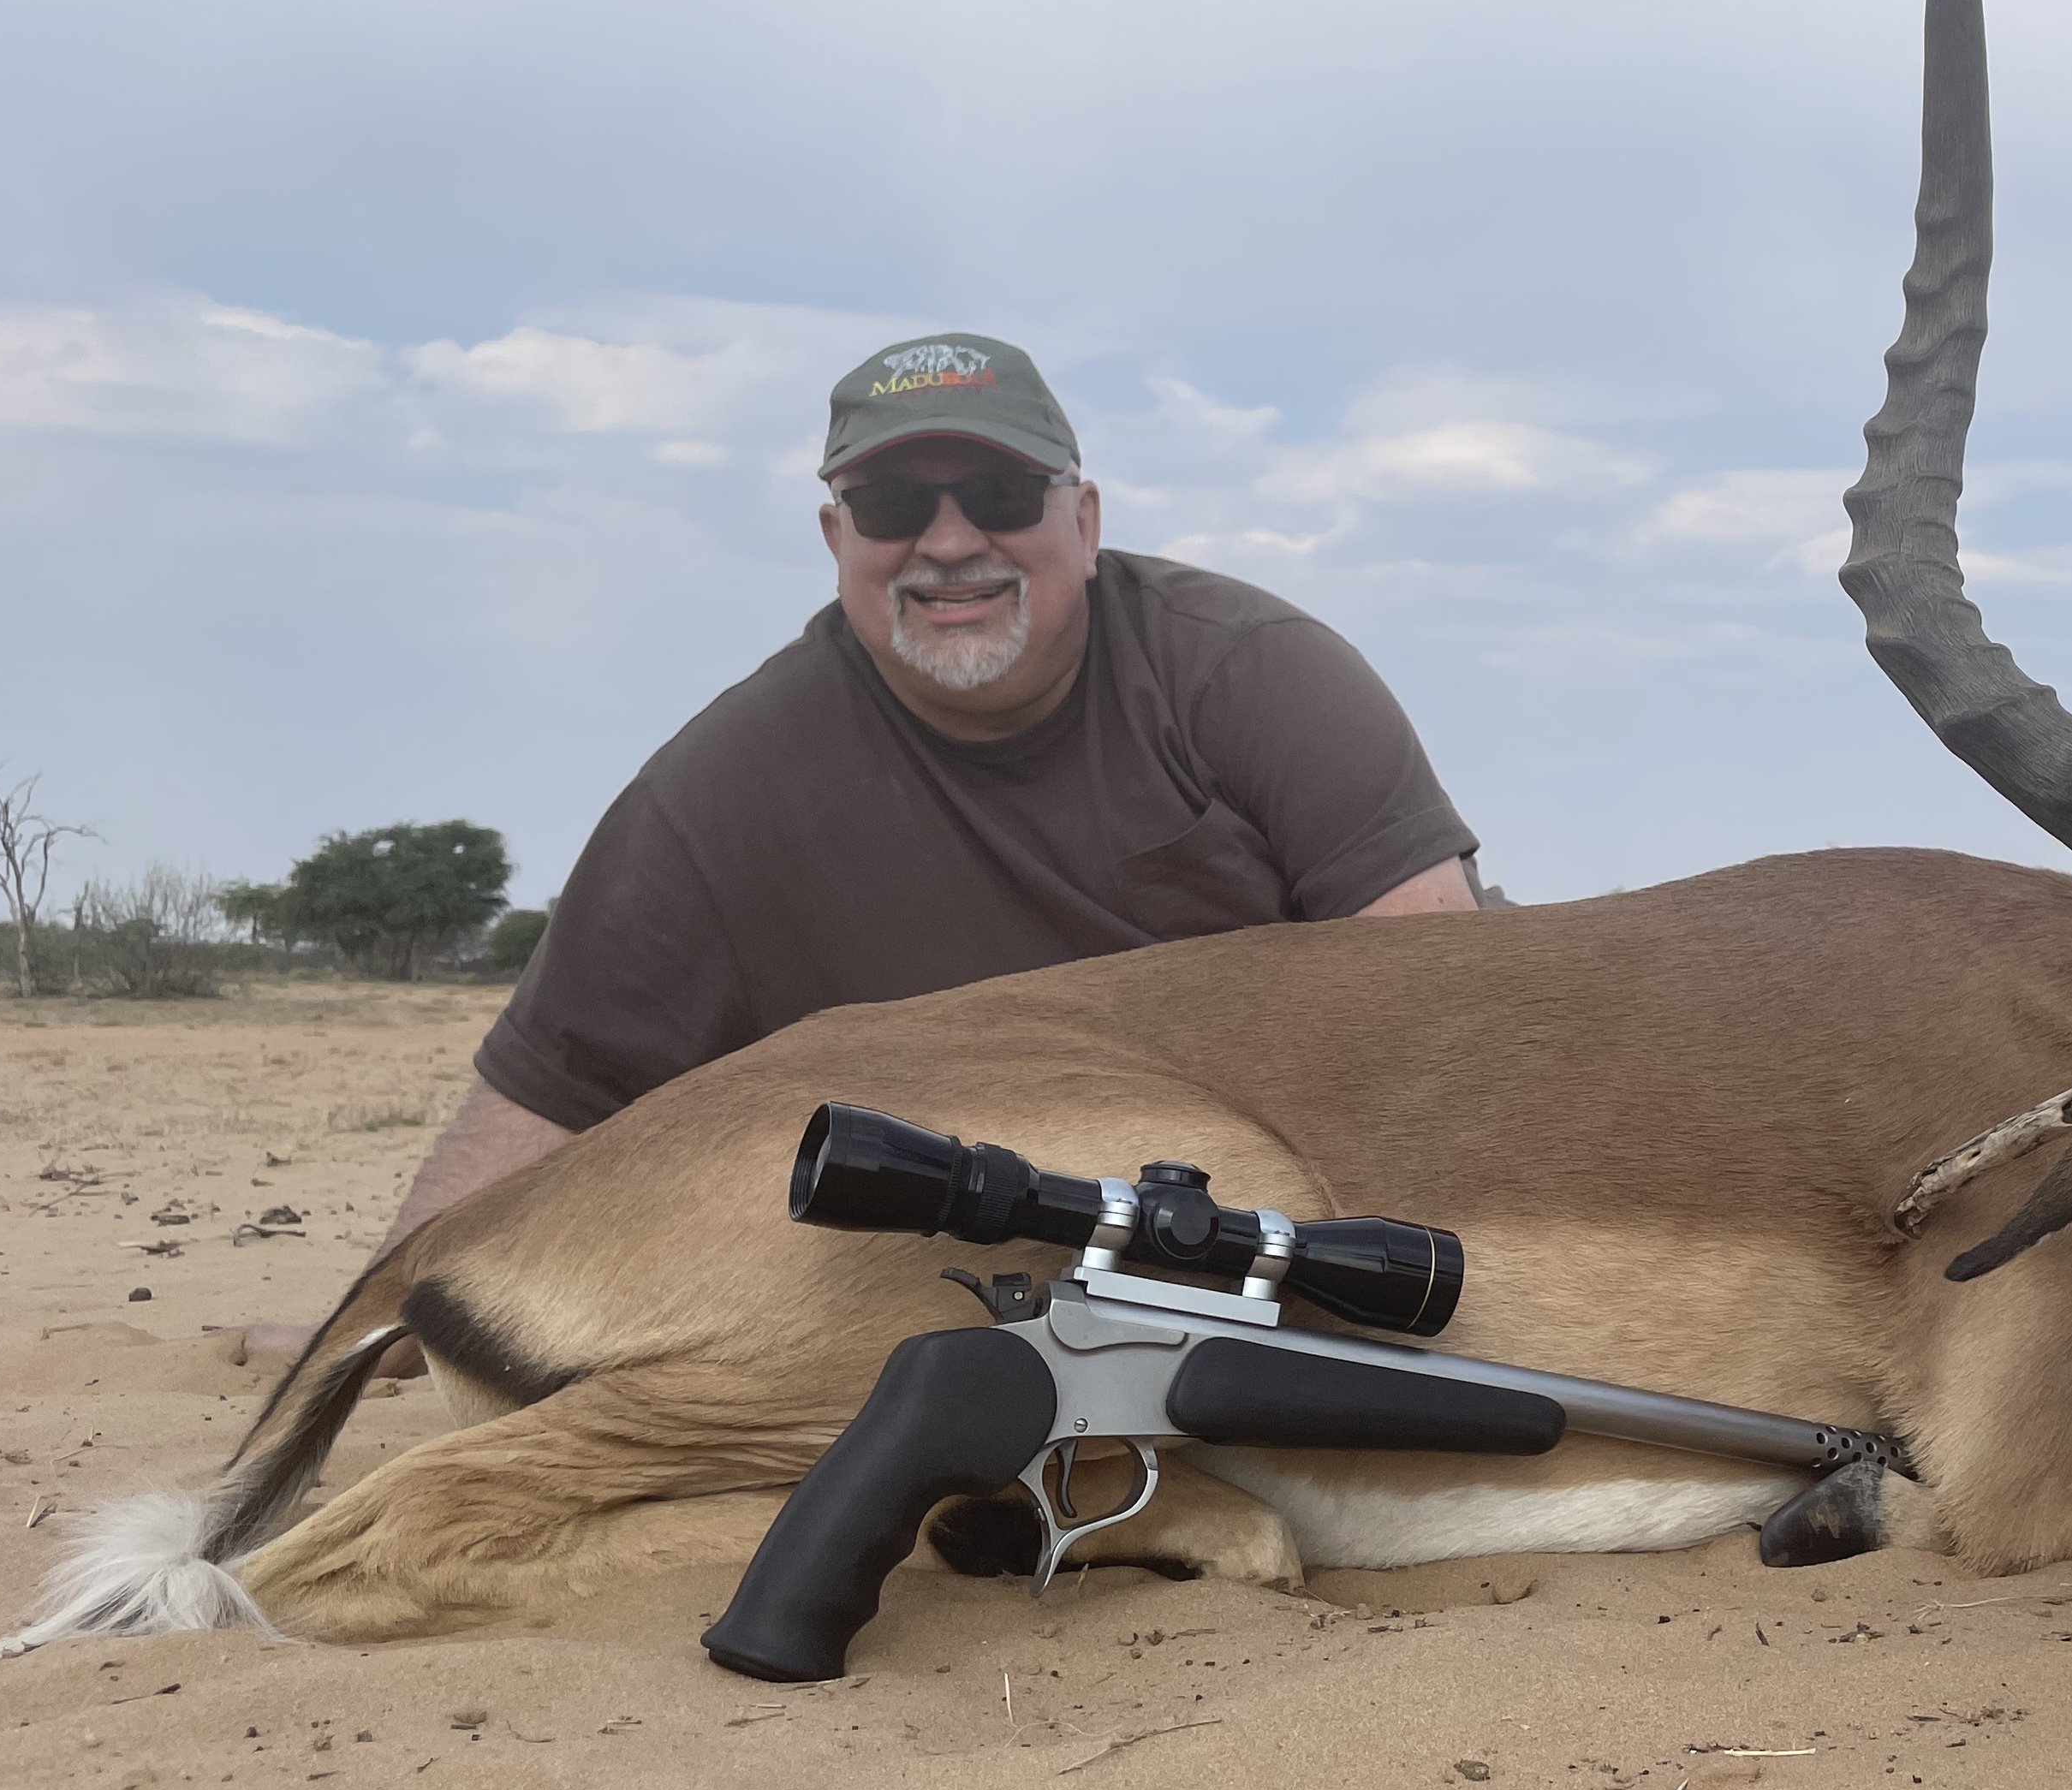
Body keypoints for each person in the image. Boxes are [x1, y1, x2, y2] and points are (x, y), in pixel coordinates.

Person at [384, 331, 1479, 1257]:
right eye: (895, 502)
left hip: (1295, 1223)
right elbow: (556, 1087)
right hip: (971, 1252)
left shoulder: (1255, 674)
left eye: (1001, 495)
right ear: (837, 538)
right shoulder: (720, 788)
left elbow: (1441, 1011)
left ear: (1084, 522)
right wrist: (376, 1315)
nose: (950, 543)